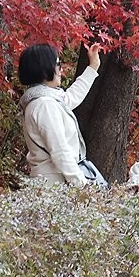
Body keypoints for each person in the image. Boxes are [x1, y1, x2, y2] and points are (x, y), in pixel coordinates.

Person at [19, 41, 104, 185]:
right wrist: (80, 183)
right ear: (44, 68)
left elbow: (71, 97)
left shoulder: (44, 100)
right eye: (58, 64)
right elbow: (60, 150)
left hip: (54, 181)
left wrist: (93, 66)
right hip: (55, 183)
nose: (60, 69)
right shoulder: (45, 104)